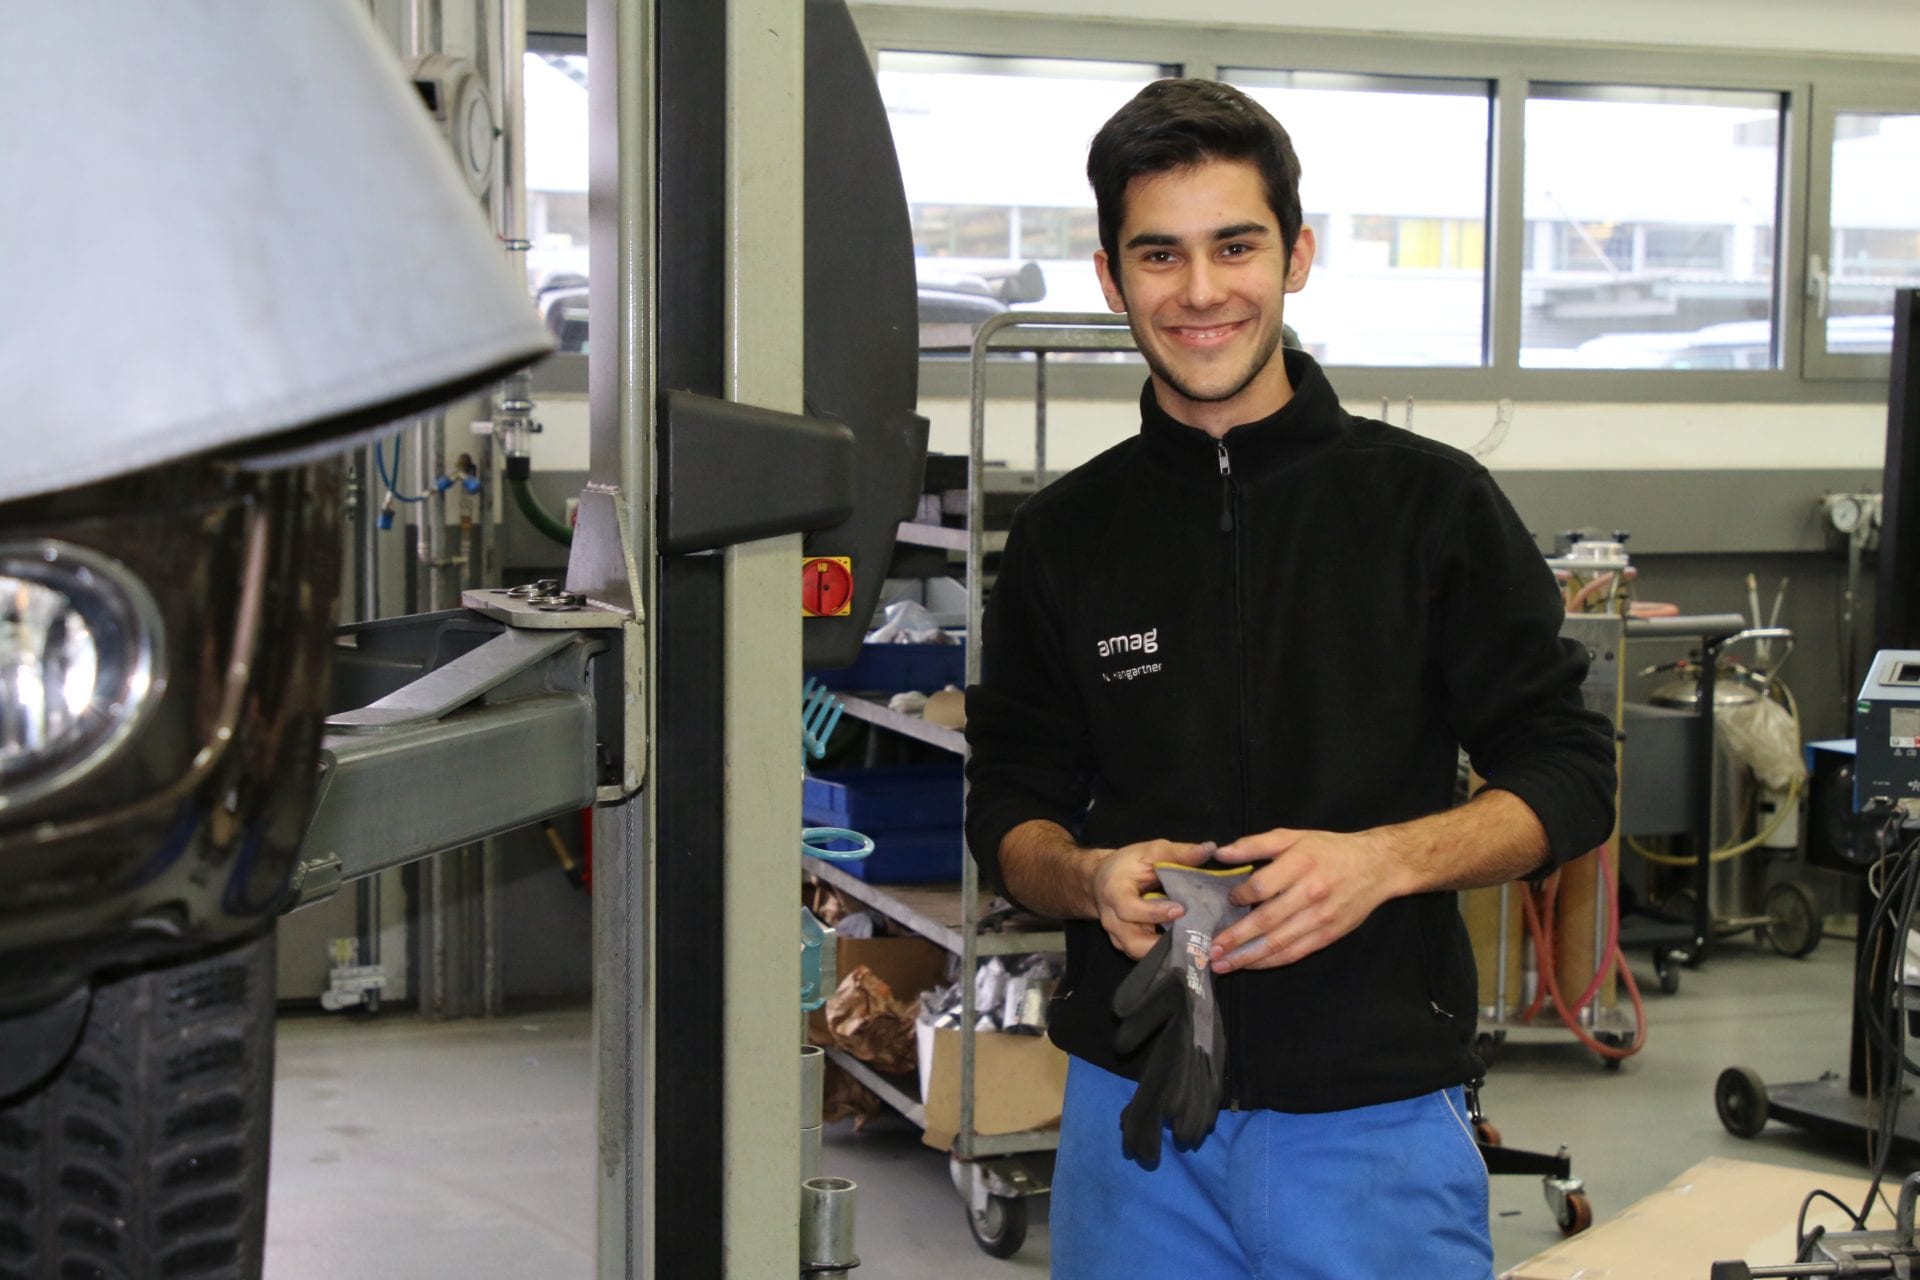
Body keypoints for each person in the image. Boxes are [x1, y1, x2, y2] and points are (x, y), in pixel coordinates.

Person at [962, 78, 1617, 1279]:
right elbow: (1007, 800)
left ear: (1298, 255)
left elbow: (1572, 772)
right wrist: (1085, 871)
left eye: (1236, 246)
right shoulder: (1069, 536)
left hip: (1375, 1135)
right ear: (1112, 278)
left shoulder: (1429, 507)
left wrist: (1384, 861)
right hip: (1135, 1134)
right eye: (1159, 253)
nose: (1201, 292)